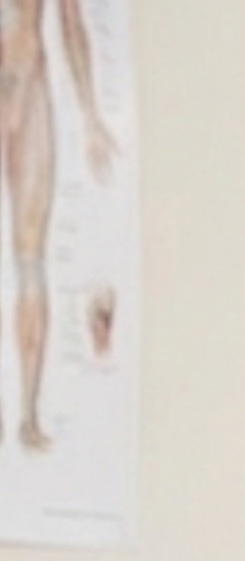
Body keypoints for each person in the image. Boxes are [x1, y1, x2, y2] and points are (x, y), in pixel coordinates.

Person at [2, 0, 115, 452]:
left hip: (29, 95)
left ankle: (28, 412)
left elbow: (71, 23)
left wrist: (91, 117)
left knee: (31, 261)